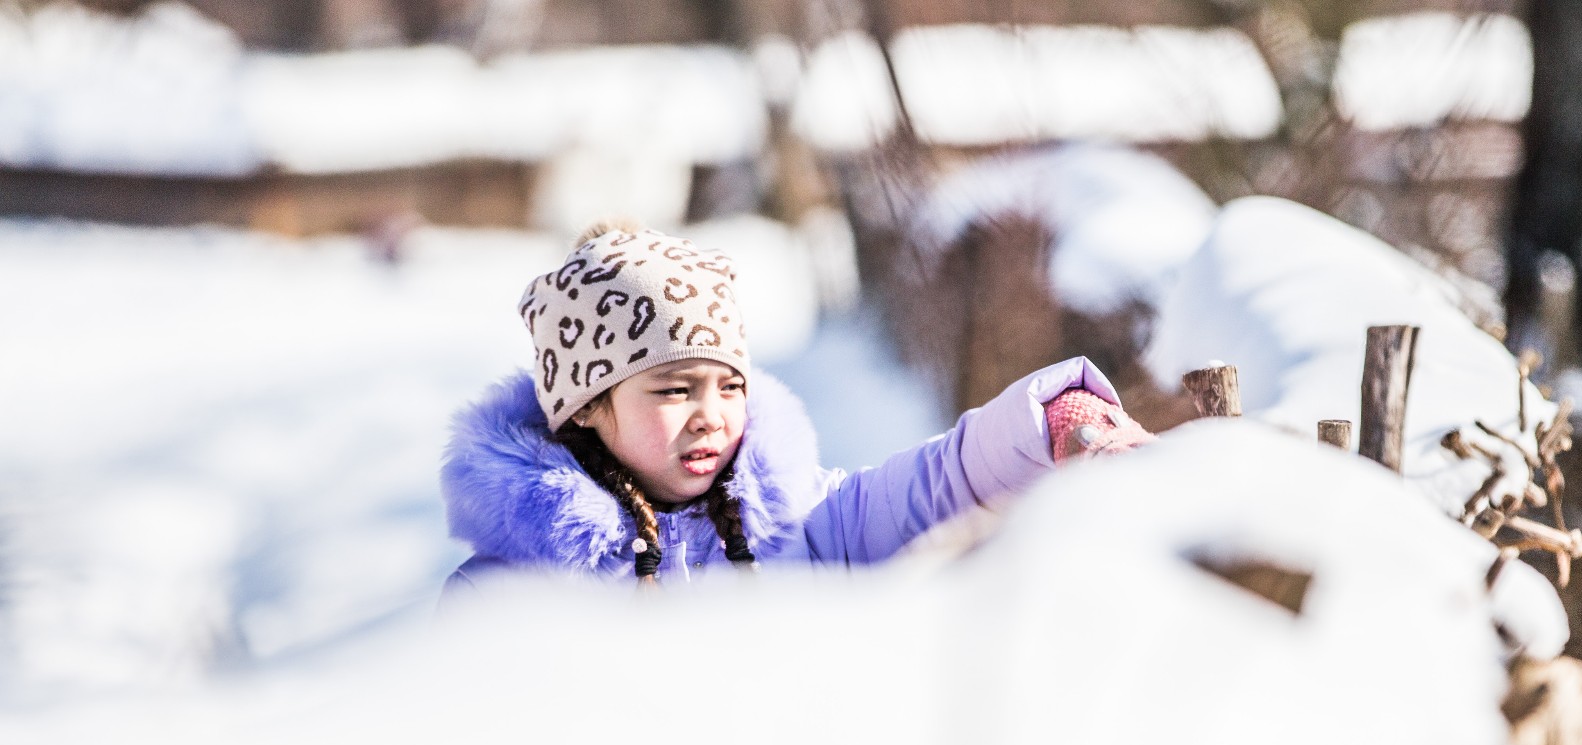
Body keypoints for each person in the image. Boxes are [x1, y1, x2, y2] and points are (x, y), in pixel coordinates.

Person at [440, 224, 1152, 595]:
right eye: (674, 389)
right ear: (588, 407)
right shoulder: (513, 592)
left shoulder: (799, 522)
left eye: (729, 385)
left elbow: (940, 482)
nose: (710, 414)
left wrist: (1051, 416)